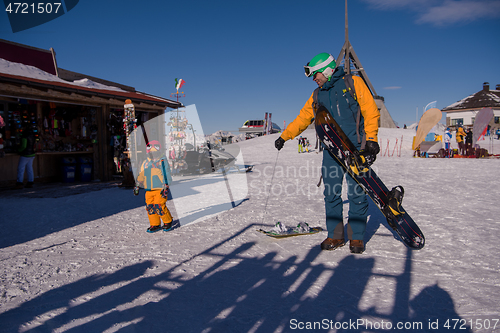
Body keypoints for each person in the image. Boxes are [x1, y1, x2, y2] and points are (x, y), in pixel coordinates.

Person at [274, 52, 380, 254]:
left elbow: (370, 110)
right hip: (332, 151)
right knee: (331, 194)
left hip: (356, 149)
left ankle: (356, 237)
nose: (314, 79)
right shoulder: (317, 95)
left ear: (327, 70)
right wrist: (284, 136)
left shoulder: (353, 83)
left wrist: (372, 140)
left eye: (315, 74)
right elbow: (303, 118)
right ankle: (336, 235)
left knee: (357, 193)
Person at [134, 140, 173, 233]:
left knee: (159, 206)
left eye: (155, 151)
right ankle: (155, 224)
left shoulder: (162, 161)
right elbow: (141, 174)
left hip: (159, 188)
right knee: (150, 207)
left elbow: (166, 173)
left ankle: (168, 221)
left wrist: (166, 185)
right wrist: (137, 184)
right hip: (149, 189)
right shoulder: (145, 163)